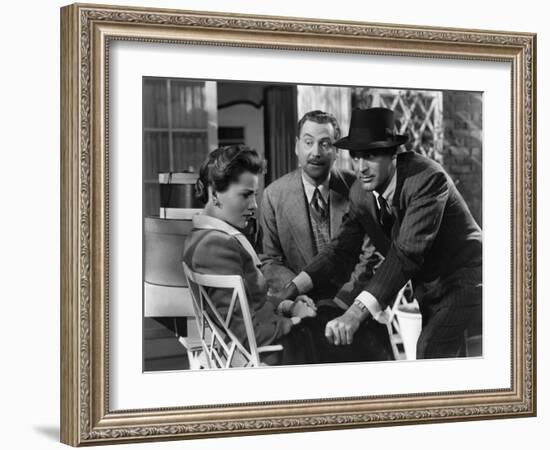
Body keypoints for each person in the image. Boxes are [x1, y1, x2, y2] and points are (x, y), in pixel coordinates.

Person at [282, 107, 482, 359]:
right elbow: (340, 250)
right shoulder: (360, 193)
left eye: (371, 156)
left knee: (430, 350)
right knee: (450, 361)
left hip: (466, 278)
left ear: (393, 154)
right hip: (428, 287)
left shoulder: (427, 178)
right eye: (356, 157)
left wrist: (355, 313)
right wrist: (291, 287)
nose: (361, 167)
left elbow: (406, 253)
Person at [261, 110, 393, 362]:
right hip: (300, 306)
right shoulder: (273, 195)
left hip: (351, 300)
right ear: (296, 146)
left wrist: (344, 303)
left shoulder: (359, 187)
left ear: (337, 150)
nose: (316, 152)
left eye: (325, 143)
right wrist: (297, 297)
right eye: (308, 142)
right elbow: (270, 261)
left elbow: (371, 254)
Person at [182, 145, 319, 365]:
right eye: (245, 195)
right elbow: (247, 336)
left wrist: (287, 305)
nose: (254, 205)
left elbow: (251, 303)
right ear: (214, 193)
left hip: (272, 338)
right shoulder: (214, 247)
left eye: (254, 195)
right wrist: (296, 321)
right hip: (275, 355)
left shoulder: (206, 236)